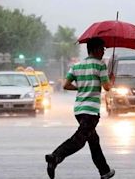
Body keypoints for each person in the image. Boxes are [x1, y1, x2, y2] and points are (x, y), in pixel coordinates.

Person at [45, 38, 115, 179]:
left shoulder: (77, 66)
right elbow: (107, 87)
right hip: (91, 111)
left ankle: (105, 171)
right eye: (102, 49)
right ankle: (55, 157)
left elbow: (66, 85)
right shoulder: (100, 65)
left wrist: (81, 87)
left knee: (94, 140)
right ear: (95, 49)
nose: (103, 51)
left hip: (79, 109)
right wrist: (111, 80)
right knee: (79, 140)